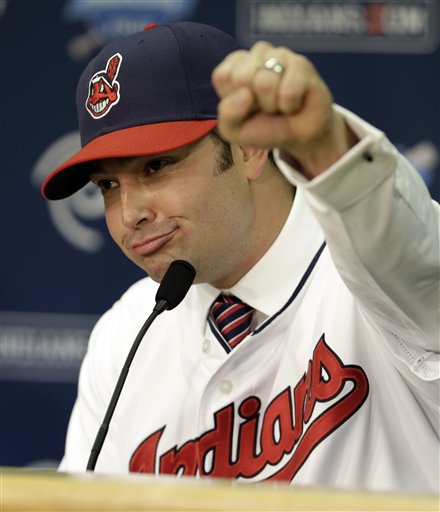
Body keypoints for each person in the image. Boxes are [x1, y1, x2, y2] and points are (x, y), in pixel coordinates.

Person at [42, 22, 439, 493]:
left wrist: (331, 151)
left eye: (156, 166)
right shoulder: (124, 332)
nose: (129, 214)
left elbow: (411, 253)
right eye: (108, 185)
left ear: (250, 148)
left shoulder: (380, 279)